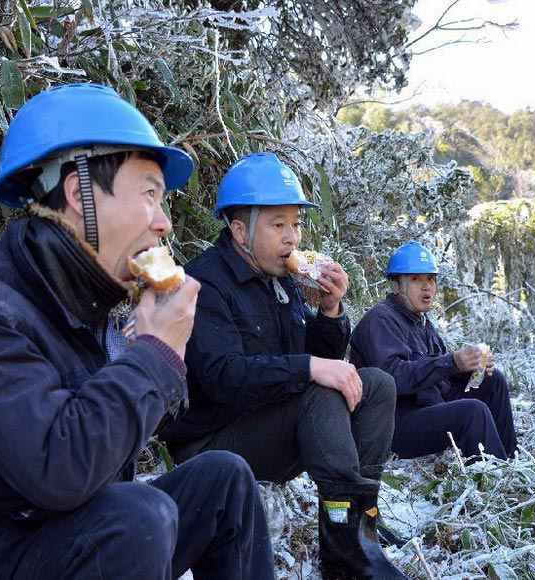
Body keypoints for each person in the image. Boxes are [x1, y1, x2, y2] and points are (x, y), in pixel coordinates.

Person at [0, 84, 273, 579]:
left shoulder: (83, 302)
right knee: (136, 520)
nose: (164, 224)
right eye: (150, 195)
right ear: (78, 193)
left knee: (225, 481)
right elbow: (60, 470)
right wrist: (153, 355)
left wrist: (151, 354)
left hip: (51, 534)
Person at [159, 152, 408, 579]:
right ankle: (348, 552)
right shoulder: (204, 282)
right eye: (278, 225)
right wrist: (309, 367)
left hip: (275, 423)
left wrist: (330, 311)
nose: (292, 238)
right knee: (317, 389)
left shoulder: (282, 281)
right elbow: (224, 377)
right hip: (215, 445)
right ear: (239, 230)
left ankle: (356, 524)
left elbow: (314, 355)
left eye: (295, 224)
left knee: (377, 385)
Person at [350, 241, 518, 461]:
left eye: (430, 279)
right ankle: (495, 481)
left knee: (492, 381)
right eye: (415, 279)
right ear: (396, 286)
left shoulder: (421, 323)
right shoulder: (380, 319)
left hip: (426, 411)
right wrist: (450, 362)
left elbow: (440, 381)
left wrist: (469, 367)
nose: (426, 286)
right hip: (392, 427)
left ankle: (512, 465)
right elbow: (393, 378)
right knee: (472, 412)